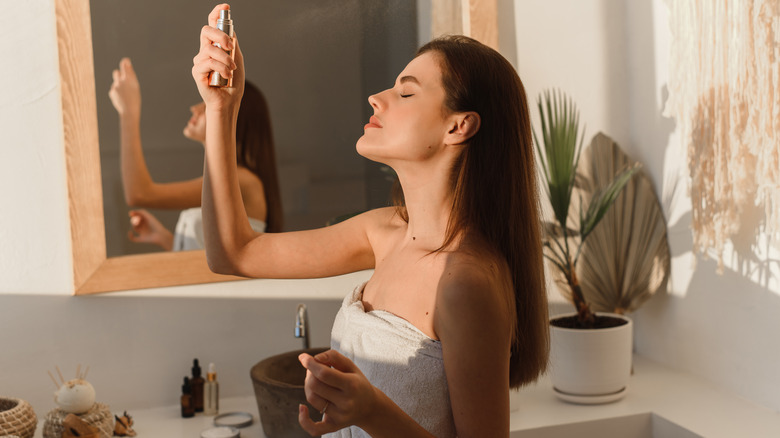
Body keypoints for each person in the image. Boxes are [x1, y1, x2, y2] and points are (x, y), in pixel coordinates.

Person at [192, 4, 548, 437]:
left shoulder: (464, 282)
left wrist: (370, 409)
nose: (377, 97)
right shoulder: (382, 232)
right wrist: (222, 109)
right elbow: (234, 253)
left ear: (459, 126)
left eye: (406, 92)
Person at [108, 58, 282, 251]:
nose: (195, 108)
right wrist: (167, 239)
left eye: (207, 103)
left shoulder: (244, 181)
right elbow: (216, 258)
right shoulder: (236, 180)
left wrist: (128, 112)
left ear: (235, 116)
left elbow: (139, 194)